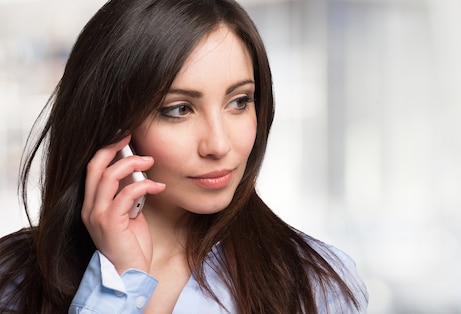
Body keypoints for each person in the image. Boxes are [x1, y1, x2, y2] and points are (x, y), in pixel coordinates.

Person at [0, 0, 368, 313]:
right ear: (111, 122)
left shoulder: (316, 283)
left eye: (239, 102)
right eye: (179, 109)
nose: (219, 144)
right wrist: (116, 287)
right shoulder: (12, 278)